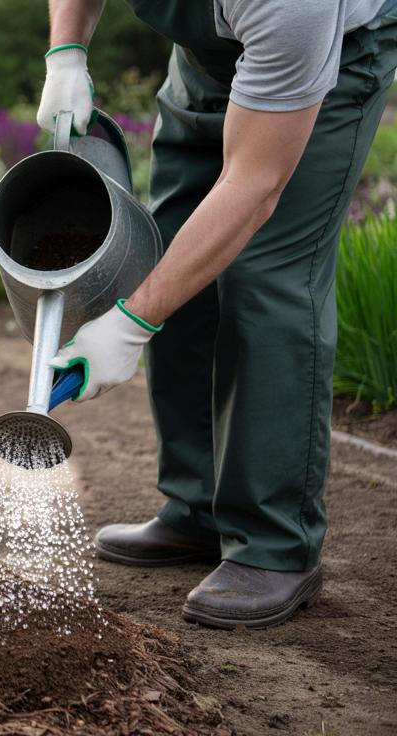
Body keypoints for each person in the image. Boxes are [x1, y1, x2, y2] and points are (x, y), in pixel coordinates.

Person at [37, 0, 397, 629]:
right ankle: (197, 507)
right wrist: (66, 51)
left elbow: (254, 184)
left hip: (329, 53)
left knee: (267, 274)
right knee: (168, 246)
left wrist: (128, 325)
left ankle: (274, 545)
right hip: (210, 58)